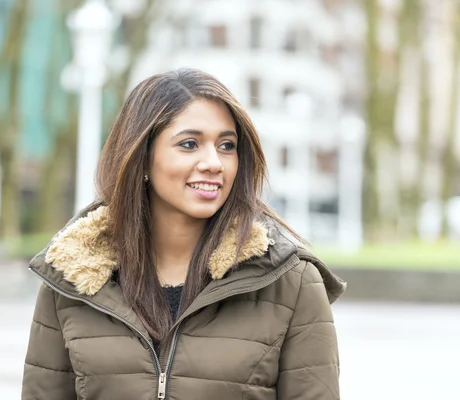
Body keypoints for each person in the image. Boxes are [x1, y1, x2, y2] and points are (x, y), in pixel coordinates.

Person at [21, 68, 346, 400]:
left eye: (227, 145)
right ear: (142, 157)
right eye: (189, 144)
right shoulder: (72, 278)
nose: (213, 162)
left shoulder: (291, 283)